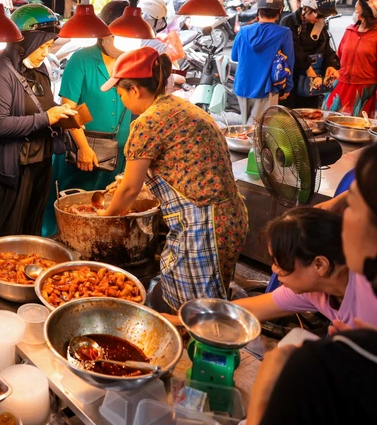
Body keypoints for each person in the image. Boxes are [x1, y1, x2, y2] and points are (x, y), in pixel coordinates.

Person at [100, 47, 248, 311]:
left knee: (192, 312)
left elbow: (130, 190)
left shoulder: (147, 122)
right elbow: (180, 166)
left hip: (203, 227)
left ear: (135, 90)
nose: (121, 101)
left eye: (120, 94)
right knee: (210, 302)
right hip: (229, 218)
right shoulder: (179, 106)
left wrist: (104, 218)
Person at [245, 145, 377, 425]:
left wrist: (263, 394)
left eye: (351, 205)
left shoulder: (313, 368)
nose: (338, 213)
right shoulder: (317, 291)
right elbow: (249, 309)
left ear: (319, 265)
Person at [0, 4, 76, 237]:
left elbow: (43, 105)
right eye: (41, 46)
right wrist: (46, 118)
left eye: (49, 46)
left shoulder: (39, 68)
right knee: (11, 232)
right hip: (15, 166)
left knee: (32, 229)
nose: (45, 53)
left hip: (41, 160)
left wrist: (60, 112)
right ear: (24, 42)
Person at [41, 19, 130, 237]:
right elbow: (68, 108)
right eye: (117, 37)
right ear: (104, 35)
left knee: (108, 211)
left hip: (119, 153)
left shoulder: (130, 60)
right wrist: (83, 147)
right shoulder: (81, 59)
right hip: (82, 150)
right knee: (71, 209)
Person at [232, 207, 377, 329]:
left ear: (320, 265)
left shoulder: (370, 296)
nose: (274, 269)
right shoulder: (312, 289)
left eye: (282, 262)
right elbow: (249, 309)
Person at [231, 0, 295, 124]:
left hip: (242, 86)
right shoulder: (284, 33)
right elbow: (288, 63)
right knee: (262, 129)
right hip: (266, 89)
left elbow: (235, 56)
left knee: (246, 126)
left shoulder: (243, 31)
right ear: (280, 11)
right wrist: (288, 87)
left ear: (259, 11)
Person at [280, 0, 340, 109]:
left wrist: (331, 65)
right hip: (292, 78)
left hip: (312, 81)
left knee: (310, 113)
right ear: (306, 8)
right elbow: (293, 50)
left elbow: (326, 47)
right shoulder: (288, 22)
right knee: (287, 113)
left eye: (324, 17)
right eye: (318, 15)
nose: (320, 19)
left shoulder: (320, 24)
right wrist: (309, 70)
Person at [325, 0, 377, 116]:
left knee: (355, 124)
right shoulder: (350, 31)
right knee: (329, 118)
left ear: (365, 14)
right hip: (340, 83)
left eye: (356, 10)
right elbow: (338, 56)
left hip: (363, 89)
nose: (354, 14)